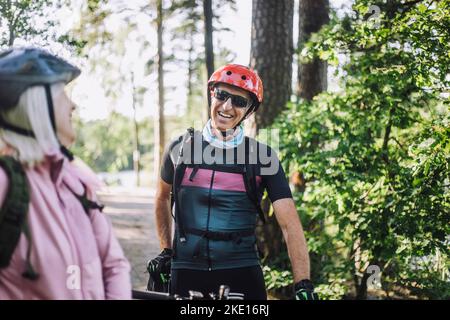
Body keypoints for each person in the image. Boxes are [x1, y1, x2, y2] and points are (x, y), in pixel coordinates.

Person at [148, 64, 318, 300]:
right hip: (186, 272)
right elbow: (162, 197)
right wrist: (166, 251)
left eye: (239, 101)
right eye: (222, 95)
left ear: (249, 110)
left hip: (241, 276)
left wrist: (303, 283)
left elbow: (290, 225)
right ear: (212, 94)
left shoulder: (263, 157)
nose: (227, 106)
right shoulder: (179, 148)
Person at [0, 47, 131, 299]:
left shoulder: (77, 182)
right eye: (62, 93)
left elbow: (114, 266)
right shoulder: (6, 183)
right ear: (37, 103)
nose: (73, 104)